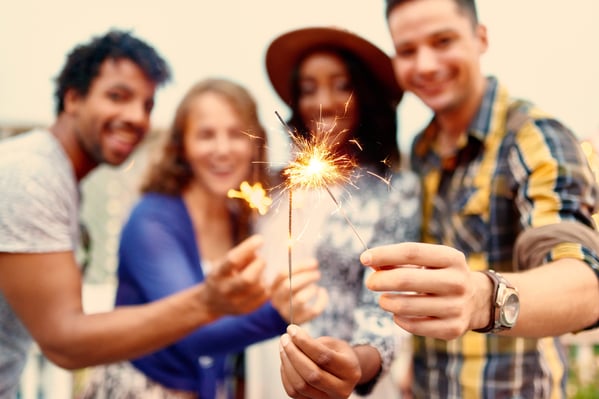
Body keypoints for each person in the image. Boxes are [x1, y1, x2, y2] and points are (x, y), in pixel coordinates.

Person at [0, 30, 273, 398]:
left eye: (146, 105)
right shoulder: (32, 175)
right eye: (117, 96)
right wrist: (211, 302)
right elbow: (63, 342)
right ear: (73, 98)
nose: (135, 117)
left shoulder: (59, 180)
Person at [357, 0, 599, 397]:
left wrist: (482, 298)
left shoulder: (534, 136)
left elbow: (586, 287)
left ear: (480, 38)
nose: (426, 65)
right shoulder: (421, 151)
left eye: (443, 40)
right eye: (407, 51)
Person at [77, 78, 327, 399]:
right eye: (206, 135)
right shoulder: (152, 222)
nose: (222, 150)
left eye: (236, 134)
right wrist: (277, 313)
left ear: (255, 143)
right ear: (182, 146)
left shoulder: (240, 217)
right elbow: (194, 333)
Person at [250, 26, 421, 398]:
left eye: (341, 86)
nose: (323, 102)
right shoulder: (271, 189)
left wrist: (354, 364)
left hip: (340, 381)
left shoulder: (393, 192)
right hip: (261, 373)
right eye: (308, 89)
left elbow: (386, 311)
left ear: (365, 97)